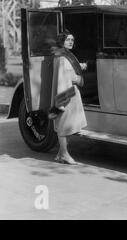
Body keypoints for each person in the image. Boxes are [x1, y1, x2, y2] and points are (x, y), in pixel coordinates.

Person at [49, 30, 87, 165]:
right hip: (66, 93)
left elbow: (68, 70)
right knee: (64, 125)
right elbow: (67, 76)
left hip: (69, 91)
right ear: (62, 42)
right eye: (68, 40)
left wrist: (79, 66)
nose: (71, 42)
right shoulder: (62, 57)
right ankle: (65, 155)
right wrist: (79, 77)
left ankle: (60, 154)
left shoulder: (64, 55)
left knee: (67, 123)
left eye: (72, 40)